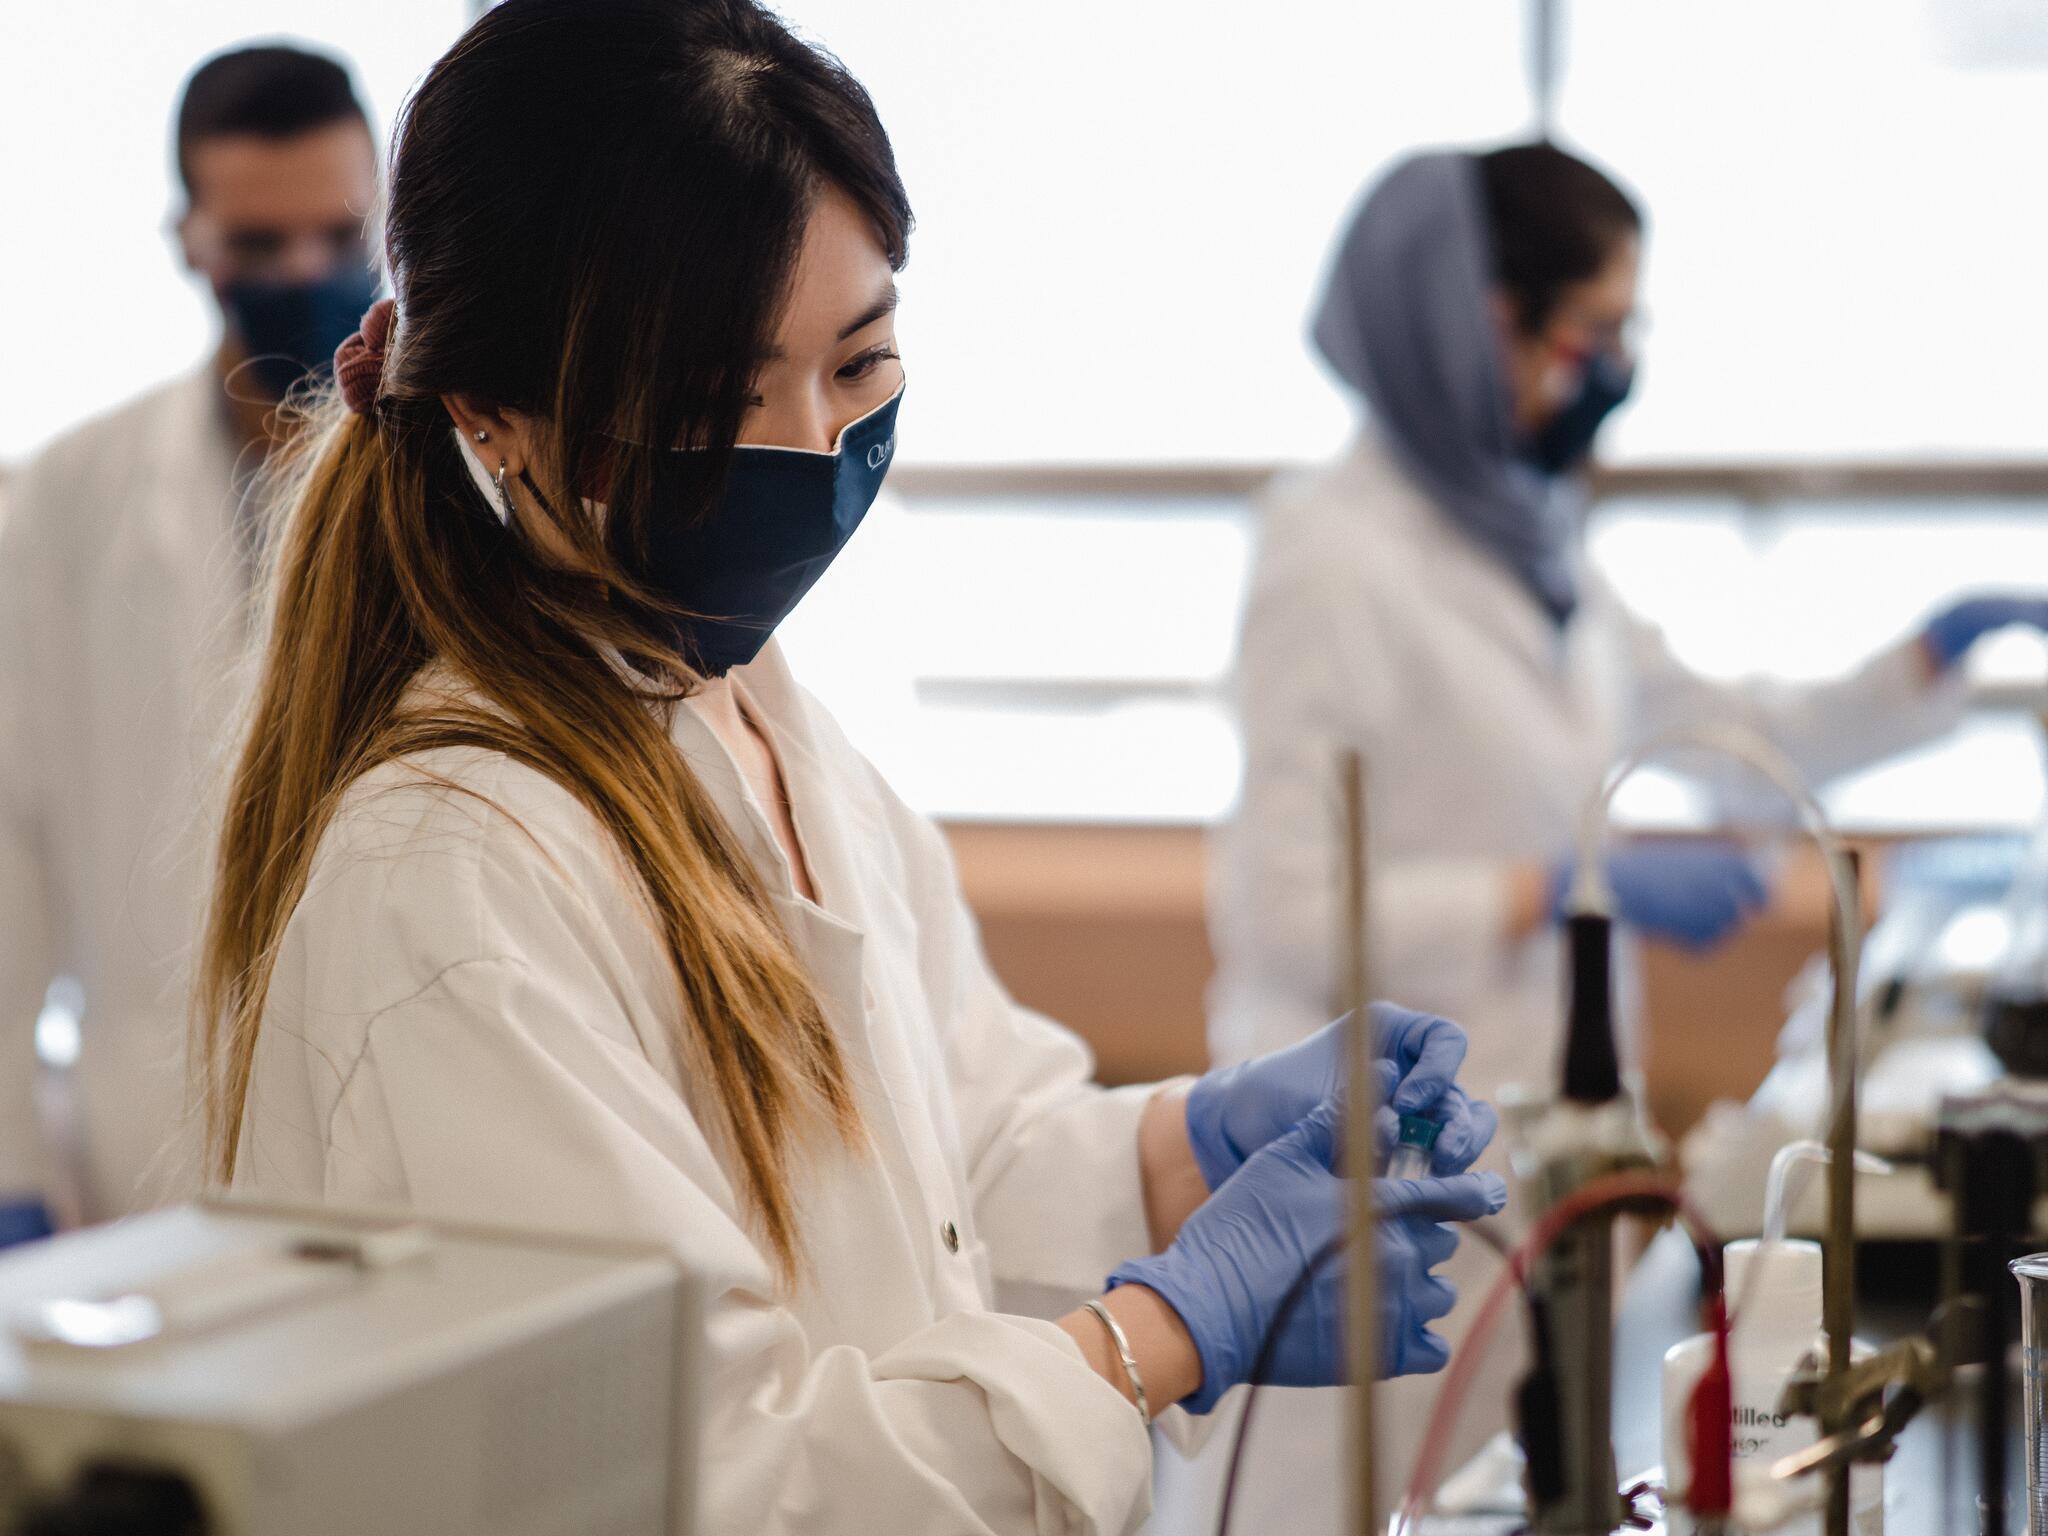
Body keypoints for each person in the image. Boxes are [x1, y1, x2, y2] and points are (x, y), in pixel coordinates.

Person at [193, 4, 1503, 1531]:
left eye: (860, 361)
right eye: (715, 399)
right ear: (492, 412)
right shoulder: (456, 874)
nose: (815, 447)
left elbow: (947, 1167)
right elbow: (717, 1483)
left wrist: (1184, 1150)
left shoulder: (756, 715)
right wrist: (1166, 1331)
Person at [1179, 141, 2048, 1530]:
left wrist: (1924, 662)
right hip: (1364, 1175)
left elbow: (1715, 731)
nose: (1615, 374)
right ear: (1485, 322)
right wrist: (1562, 889)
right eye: (1595, 335)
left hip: (1524, 1167)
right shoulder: (1328, 555)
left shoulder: (1530, 539)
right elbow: (1281, 907)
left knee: (1517, 1489)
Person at [0, 45, 379, 1237]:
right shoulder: (70, 496)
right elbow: (11, 838)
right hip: (154, 1131)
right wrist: (12, 1167)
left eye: (338, 234)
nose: (305, 271)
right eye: (260, 245)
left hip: (394, 1105)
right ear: (188, 238)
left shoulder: (471, 477)